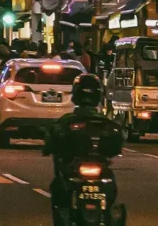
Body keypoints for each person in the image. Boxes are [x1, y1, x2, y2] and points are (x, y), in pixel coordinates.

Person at [43, 74, 122, 220]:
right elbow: (117, 146)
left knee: (59, 188)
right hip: (94, 169)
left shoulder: (66, 122)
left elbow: (51, 141)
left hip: (75, 169)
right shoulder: (107, 123)